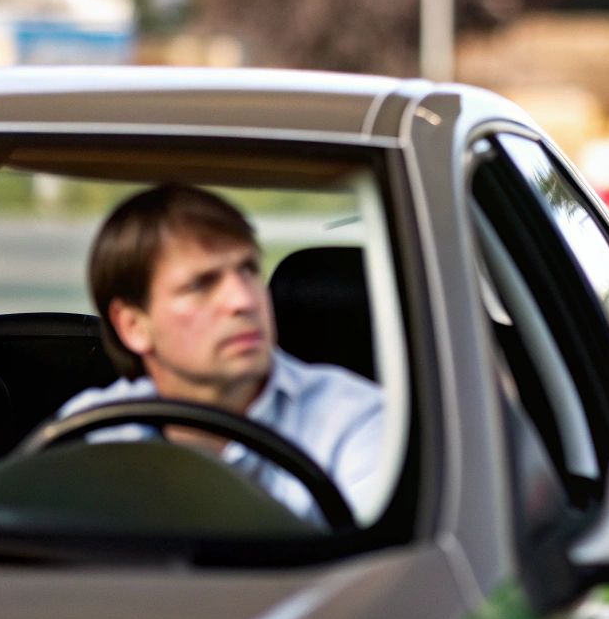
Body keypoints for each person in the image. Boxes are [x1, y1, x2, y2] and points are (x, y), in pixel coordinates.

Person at [59, 184, 386, 526]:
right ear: (134, 326)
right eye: (201, 285)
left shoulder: (356, 421)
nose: (243, 300)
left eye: (249, 270)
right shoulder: (90, 428)